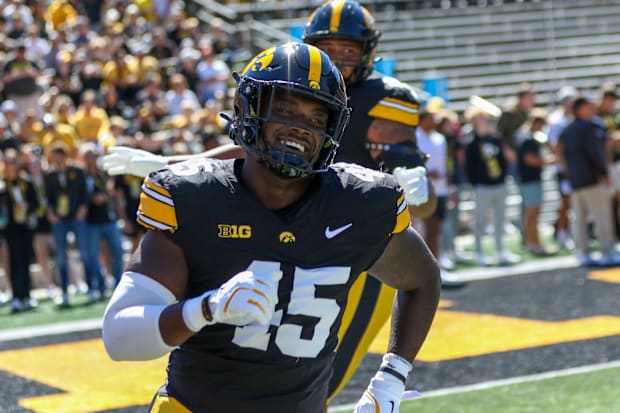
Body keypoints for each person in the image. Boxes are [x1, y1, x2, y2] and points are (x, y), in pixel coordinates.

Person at [102, 2, 444, 404]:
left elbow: (423, 269)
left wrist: (390, 378)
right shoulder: (195, 197)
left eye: (316, 119)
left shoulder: (366, 199)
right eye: (284, 110)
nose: (299, 127)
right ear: (249, 111)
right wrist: (205, 309)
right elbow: (120, 337)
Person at [557, 97, 617, 266]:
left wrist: (566, 172)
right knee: (602, 216)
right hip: (591, 178)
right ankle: (607, 251)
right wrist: (604, 173)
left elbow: (558, 150)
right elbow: (595, 154)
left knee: (580, 218)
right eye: (589, 107)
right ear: (580, 109)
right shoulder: (588, 128)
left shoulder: (567, 128)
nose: (592, 110)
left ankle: (582, 251)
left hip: (575, 179)